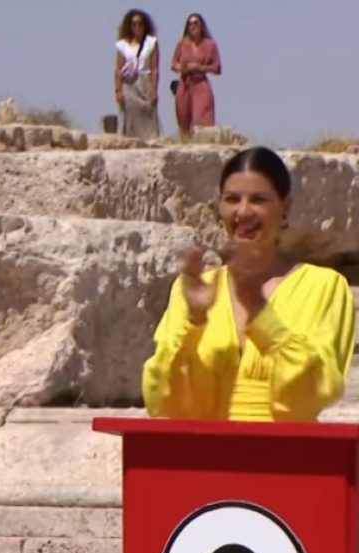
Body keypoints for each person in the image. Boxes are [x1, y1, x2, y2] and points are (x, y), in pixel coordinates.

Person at [142, 146, 355, 422]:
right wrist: (194, 324)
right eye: (232, 199)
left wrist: (257, 309)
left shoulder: (323, 287)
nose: (243, 212)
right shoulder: (196, 288)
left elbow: (312, 393)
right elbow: (163, 402)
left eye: (258, 200)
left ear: (285, 207)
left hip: (286, 447)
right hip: (205, 448)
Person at [171, 13, 222, 135]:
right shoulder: (182, 44)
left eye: (195, 23)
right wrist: (182, 68)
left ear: (201, 26)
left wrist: (201, 68)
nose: (192, 26)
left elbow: (217, 67)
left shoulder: (210, 45)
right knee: (184, 121)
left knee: (202, 119)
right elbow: (173, 64)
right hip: (185, 84)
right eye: (189, 24)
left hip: (201, 83)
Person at [114, 9, 161, 140]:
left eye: (140, 23)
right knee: (130, 116)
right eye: (134, 24)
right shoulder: (123, 45)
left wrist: (154, 91)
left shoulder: (151, 43)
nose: (137, 26)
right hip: (129, 84)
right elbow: (118, 69)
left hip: (145, 82)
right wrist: (118, 91)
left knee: (148, 114)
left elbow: (155, 68)